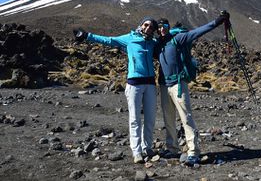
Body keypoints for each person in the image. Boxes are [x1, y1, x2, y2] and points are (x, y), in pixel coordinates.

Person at [73, 17, 158, 164]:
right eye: (146, 25)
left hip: (150, 84)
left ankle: (147, 147)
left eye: (151, 27)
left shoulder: (153, 42)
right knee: (135, 119)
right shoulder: (129, 38)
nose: (148, 28)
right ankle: (136, 151)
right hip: (134, 84)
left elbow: (169, 42)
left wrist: (178, 30)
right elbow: (109, 40)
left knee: (150, 118)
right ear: (141, 24)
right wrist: (87, 36)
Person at [156, 11, 230, 166]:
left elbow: (198, 32)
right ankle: (172, 148)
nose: (162, 29)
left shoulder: (178, 38)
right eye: (160, 27)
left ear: (168, 27)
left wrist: (217, 21)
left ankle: (193, 152)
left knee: (186, 117)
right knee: (168, 118)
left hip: (178, 84)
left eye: (164, 26)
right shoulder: (158, 43)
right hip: (164, 85)